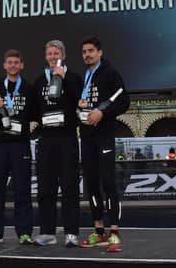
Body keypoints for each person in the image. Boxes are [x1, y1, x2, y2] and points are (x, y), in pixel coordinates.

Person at [77, 37, 130, 252]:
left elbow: (123, 101)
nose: (87, 54)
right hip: (87, 136)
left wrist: (102, 111)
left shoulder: (110, 72)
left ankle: (114, 233)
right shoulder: (86, 76)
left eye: (91, 51)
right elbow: (90, 102)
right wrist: (82, 107)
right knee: (91, 183)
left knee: (108, 181)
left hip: (104, 136)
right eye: (84, 51)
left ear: (100, 52)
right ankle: (98, 231)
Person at [0, 49, 34, 245]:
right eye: (9, 62)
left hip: (20, 145)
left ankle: (25, 233)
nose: (13, 65)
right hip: (0, 145)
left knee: (23, 190)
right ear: (4, 65)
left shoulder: (28, 88)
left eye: (16, 62)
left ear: (21, 65)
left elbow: (35, 113)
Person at [32, 40, 82, 247]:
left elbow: (79, 99)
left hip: (67, 137)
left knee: (70, 186)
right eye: (49, 54)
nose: (53, 57)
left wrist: (63, 80)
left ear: (63, 55)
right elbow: (34, 111)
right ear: (46, 57)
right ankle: (47, 233)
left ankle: (71, 233)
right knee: (45, 188)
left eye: (56, 53)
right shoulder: (38, 81)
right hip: (46, 140)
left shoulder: (74, 77)